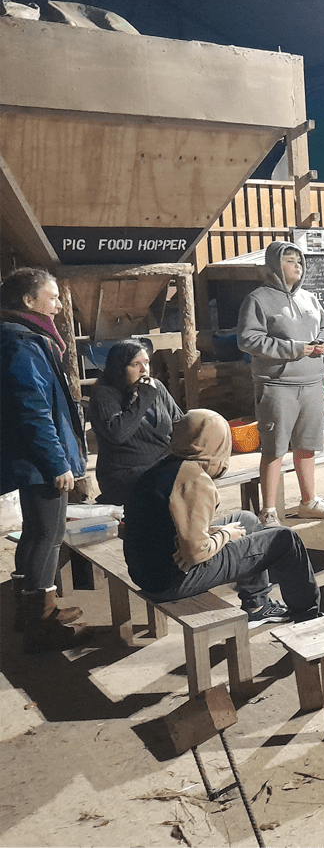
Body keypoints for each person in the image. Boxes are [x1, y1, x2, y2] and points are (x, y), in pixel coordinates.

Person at [124, 409, 321, 625]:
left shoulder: (165, 466)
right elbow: (196, 553)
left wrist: (210, 534)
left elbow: (168, 525)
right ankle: (309, 617)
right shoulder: (194, 479)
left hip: (149, 569)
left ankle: (257, 604)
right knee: (284, 540)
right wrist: (225, 535)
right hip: (171, 580)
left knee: (247, 520)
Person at [1, 267, 91, 652]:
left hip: (32, 457)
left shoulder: (23, 337)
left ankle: (31, 609)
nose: (57, 306)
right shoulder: (23, 343)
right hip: (40, 460)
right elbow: (33, 410)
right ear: (28, 301)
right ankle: (40, 621)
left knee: (37, 533)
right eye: (52, 297)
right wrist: (58, 463)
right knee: (48, 537)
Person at [237, 241, 324, 526]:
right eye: (289, 260)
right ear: (274, 266)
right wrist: (295, 348)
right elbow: (249, 339)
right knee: (274, 448)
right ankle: (269, 510)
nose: (297, 264)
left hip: (311, 383)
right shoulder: (258, 299)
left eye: (299, 260)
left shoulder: (310, 299)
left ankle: (309, 500)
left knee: (307, 445)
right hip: (277, 385)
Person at [88, 339, 183, 507]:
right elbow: (118, 433)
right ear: (119, 368)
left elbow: (179, 422)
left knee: (194, 477)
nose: (143, 370)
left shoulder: (157, 388)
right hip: (121, 475)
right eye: (135, 364)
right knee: (174, 484)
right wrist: (143, 399)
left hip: (160, 467)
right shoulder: (104, 394)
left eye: (146, 363)